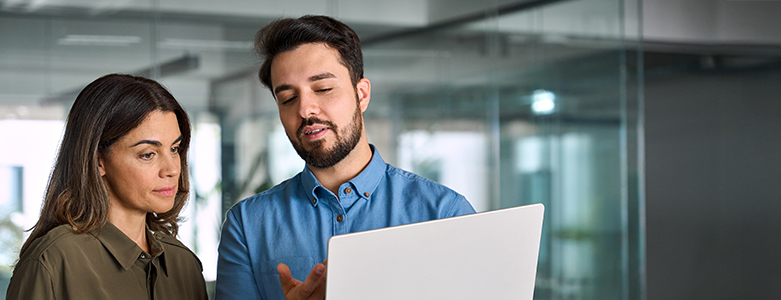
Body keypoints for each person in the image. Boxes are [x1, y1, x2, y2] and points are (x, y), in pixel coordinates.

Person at [215, 15, 476, 300]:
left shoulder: (444, 213)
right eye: (288, 98)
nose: (305, 110)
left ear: (361, 94)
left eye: (323, 89)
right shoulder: (248, 225)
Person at [5, 74, 207, 299]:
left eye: (174, 149)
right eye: (148, 154)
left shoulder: (184, 264)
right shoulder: (52, 261)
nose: (172, 170)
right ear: (98, 160)